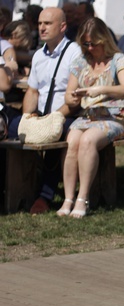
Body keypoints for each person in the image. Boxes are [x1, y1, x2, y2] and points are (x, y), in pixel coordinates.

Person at [7, 7, 82, 214]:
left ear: (62, 26)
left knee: (55, 136)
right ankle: (15, 187)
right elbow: (32, 91)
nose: (41, 27)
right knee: (11, 131)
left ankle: (44, 196)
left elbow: (75, 97)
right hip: (41, 114)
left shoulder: (75, 52)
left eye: (47, 23)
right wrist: (27, 117)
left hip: (66, 114)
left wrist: (56, 116)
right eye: (40, 23)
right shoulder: (39, 55)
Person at [57, 18, 124, 218]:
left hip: (114, 115)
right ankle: (68, 198)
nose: (90, 48)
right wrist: (73, 97)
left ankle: (83, 198)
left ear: (104, 40)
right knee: (72, 141)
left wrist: (101, 89)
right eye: (86, 44)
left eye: (93, 43)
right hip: (87, 115)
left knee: (88, 140)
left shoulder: (118, 59)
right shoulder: (81, 62)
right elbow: (68, 94)